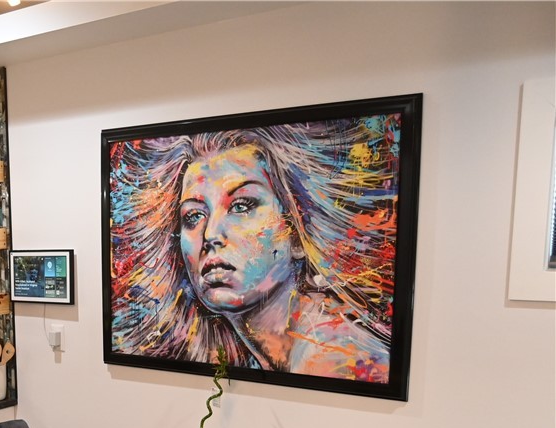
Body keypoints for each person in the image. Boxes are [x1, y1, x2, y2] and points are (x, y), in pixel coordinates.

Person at [109, 118, 400, 383]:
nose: (210, 234)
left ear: (297, 234)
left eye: (242, 206)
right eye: (193, 216)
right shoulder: (278, 355)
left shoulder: (335, 360)